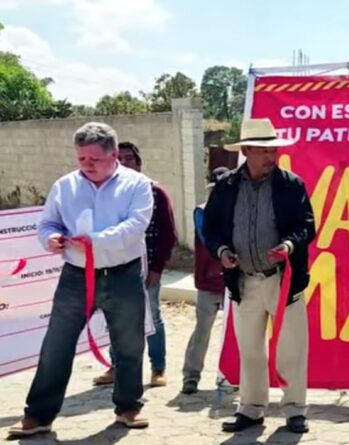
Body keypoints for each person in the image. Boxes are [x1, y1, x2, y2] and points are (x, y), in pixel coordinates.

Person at [9, 123, 153, 438]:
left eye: (94, 159)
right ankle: (38, 414)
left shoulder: (137, 185)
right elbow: (47, 223)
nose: (87, 164)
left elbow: (135, 226)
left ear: (114, 155)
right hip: (75, 277)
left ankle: (128, 406)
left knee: (129, 344)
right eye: (81, 158)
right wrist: (51, 239)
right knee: (56, 345)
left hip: (123, 275)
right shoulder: (65, 186)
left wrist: (94, 240)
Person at [203, 118, 315, 434]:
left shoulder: (291, 184)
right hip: (243, 280)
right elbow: (210, 227)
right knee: (250, 348)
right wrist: (222, 250)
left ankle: (295, 409)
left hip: (282, 278)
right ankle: (251, 409)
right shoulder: (225, 187)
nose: (271, 155)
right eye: (264, 150)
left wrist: (289, 245)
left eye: (273, 150)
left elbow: (307, 226)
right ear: (247, 151)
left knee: (291, 347)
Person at [93, 141, 177, 387]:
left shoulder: (155, 192)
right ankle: (116, 367)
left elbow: (168, 235)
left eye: (129, 158)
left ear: (138, 163)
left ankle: (157, 368)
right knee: (115, 319)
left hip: (146, 269)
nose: (124, 163)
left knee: (152, 317)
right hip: (114, 269)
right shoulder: (105, 195)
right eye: (119, 159)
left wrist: (157, 268)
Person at [181, 167, 230, 395]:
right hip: (209, 280)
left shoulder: (236, 210)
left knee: (237, 333)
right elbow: (210, 241)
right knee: (202, 331)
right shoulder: (202, 212)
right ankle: (191, 376)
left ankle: (231, 375)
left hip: (232, 281)